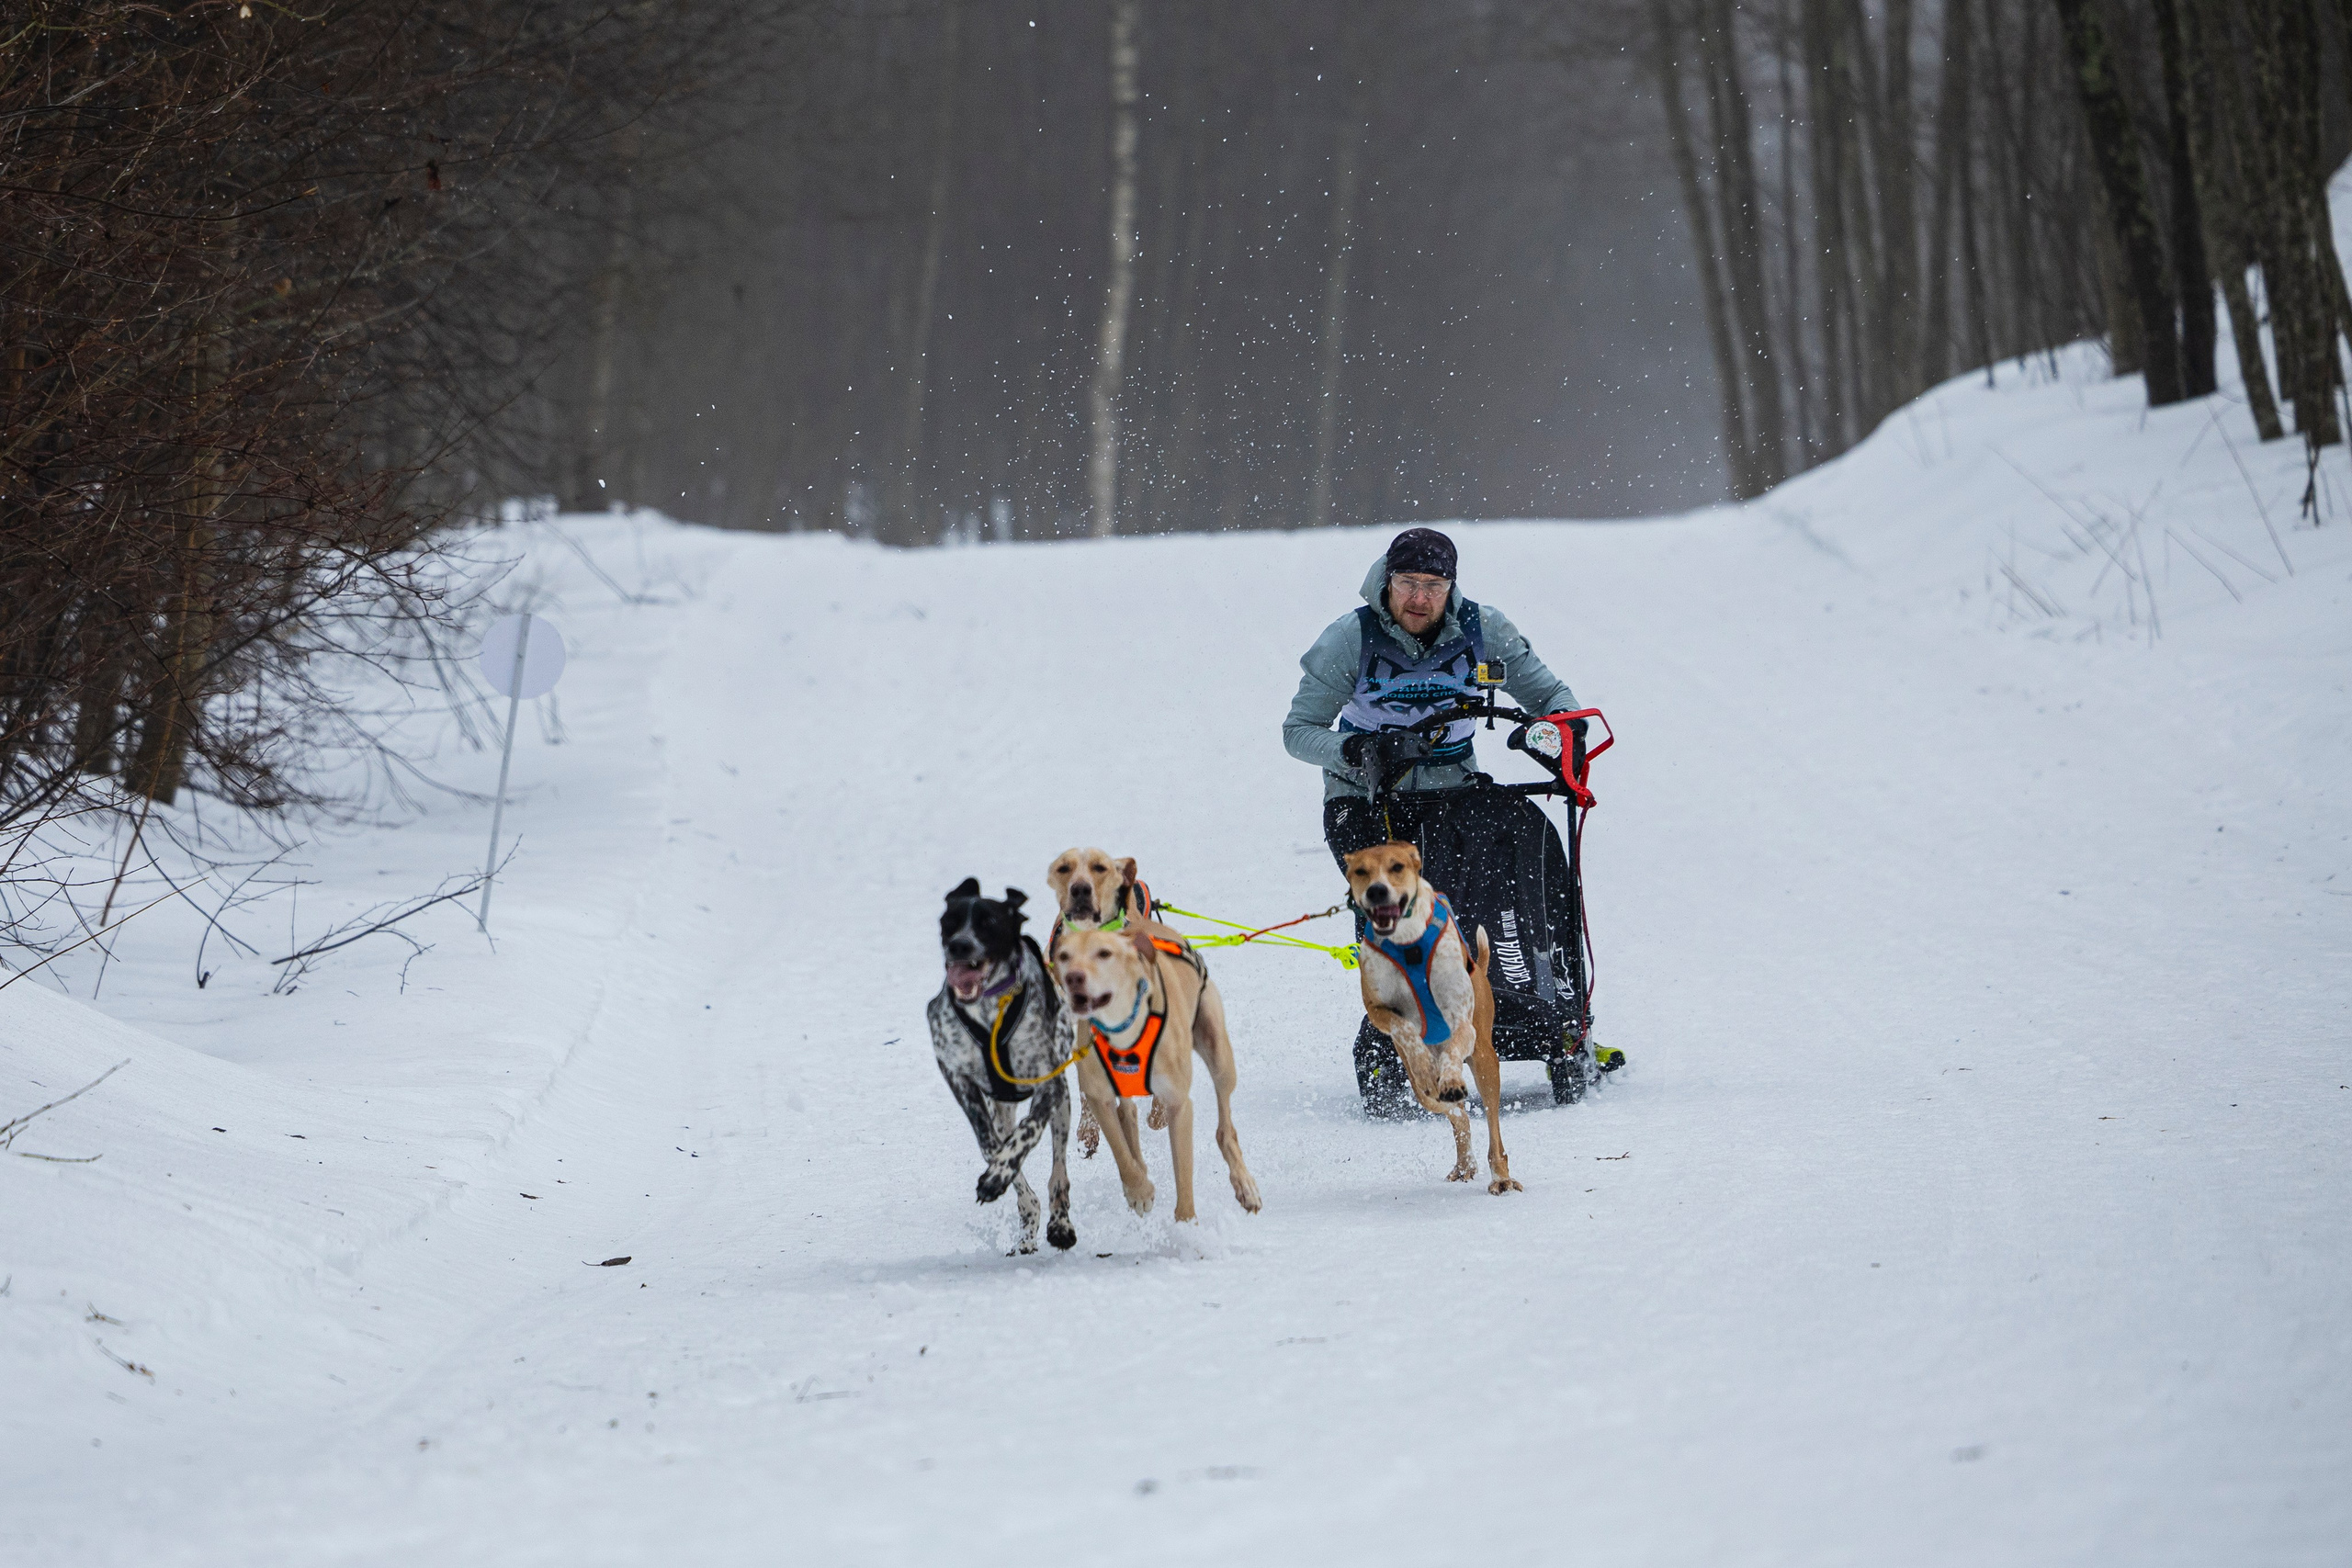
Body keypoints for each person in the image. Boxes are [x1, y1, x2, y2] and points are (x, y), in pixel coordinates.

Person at [1283, 526, 1583, 863]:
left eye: (1433, 586)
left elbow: (1551, 697)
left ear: (1450, 588)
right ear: (1387, 580)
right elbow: (1298, 732)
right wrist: (1356, 749)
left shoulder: (1485, 630)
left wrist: (1569, 729)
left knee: (1473, 894)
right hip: (1363, 794)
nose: (1419, 598)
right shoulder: (1350, 638)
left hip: (1455, 789)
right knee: (1390, 899)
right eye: (1407, 582)